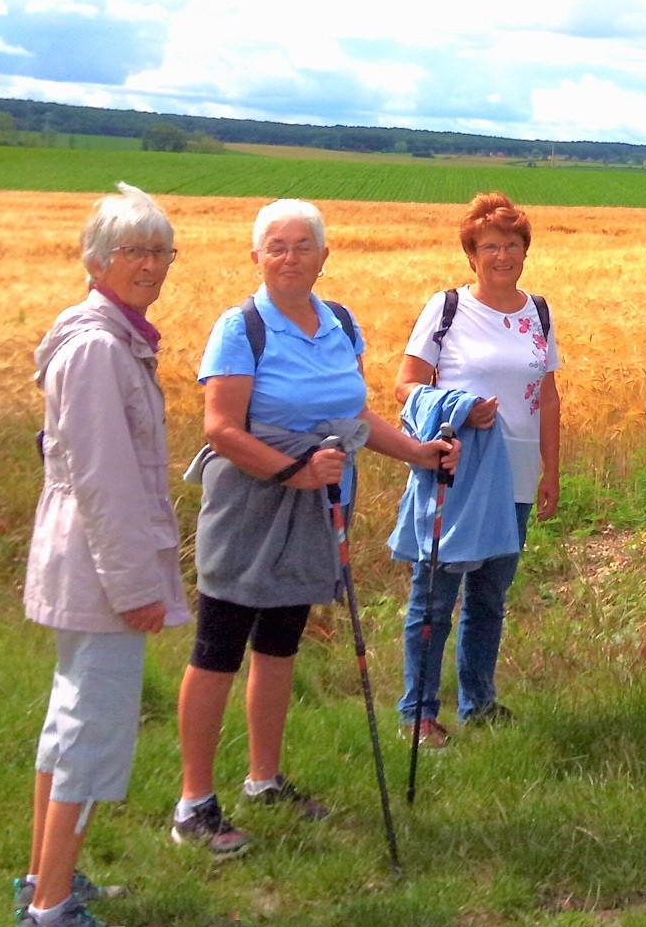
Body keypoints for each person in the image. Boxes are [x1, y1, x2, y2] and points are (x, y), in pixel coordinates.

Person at [173, 199, 457, 856]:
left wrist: (418, 451)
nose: (290, 256)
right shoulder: (240, 328)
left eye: (304, 244)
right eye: (277, 245)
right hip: (251, 504)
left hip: (321, 499)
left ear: (324, 256)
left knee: (280, 640)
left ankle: (263, 780)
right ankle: (194, 803)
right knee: (219, 644)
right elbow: (219, 428)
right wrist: (291, 469)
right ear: (256, 256)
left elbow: (355, 412)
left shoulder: (340, 323)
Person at [15, 183, 189, 927]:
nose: (151, 264)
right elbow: (106, 483)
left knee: (69, 724)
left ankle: (46, 878)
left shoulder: (110, 338)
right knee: (90, 733)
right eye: (135, 250)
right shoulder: (95, 348)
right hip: (100, 571)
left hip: (87, 565)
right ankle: (52, 912)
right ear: (96, 260)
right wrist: (138, 587)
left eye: (161, 250)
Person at [392, 192, 561, 744]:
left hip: (514, 476)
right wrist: (461, 407)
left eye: (512, 245)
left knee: (490, 596)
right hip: (459, 474)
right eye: (490, 246)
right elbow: (406, 384)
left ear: (525, 252)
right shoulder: (447, 310)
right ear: (472, 254)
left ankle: (479, 703)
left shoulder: (538, 312)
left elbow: (549, 395)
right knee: (435, 596)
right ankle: (419, 714)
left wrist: (550, 470)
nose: (502, 256)